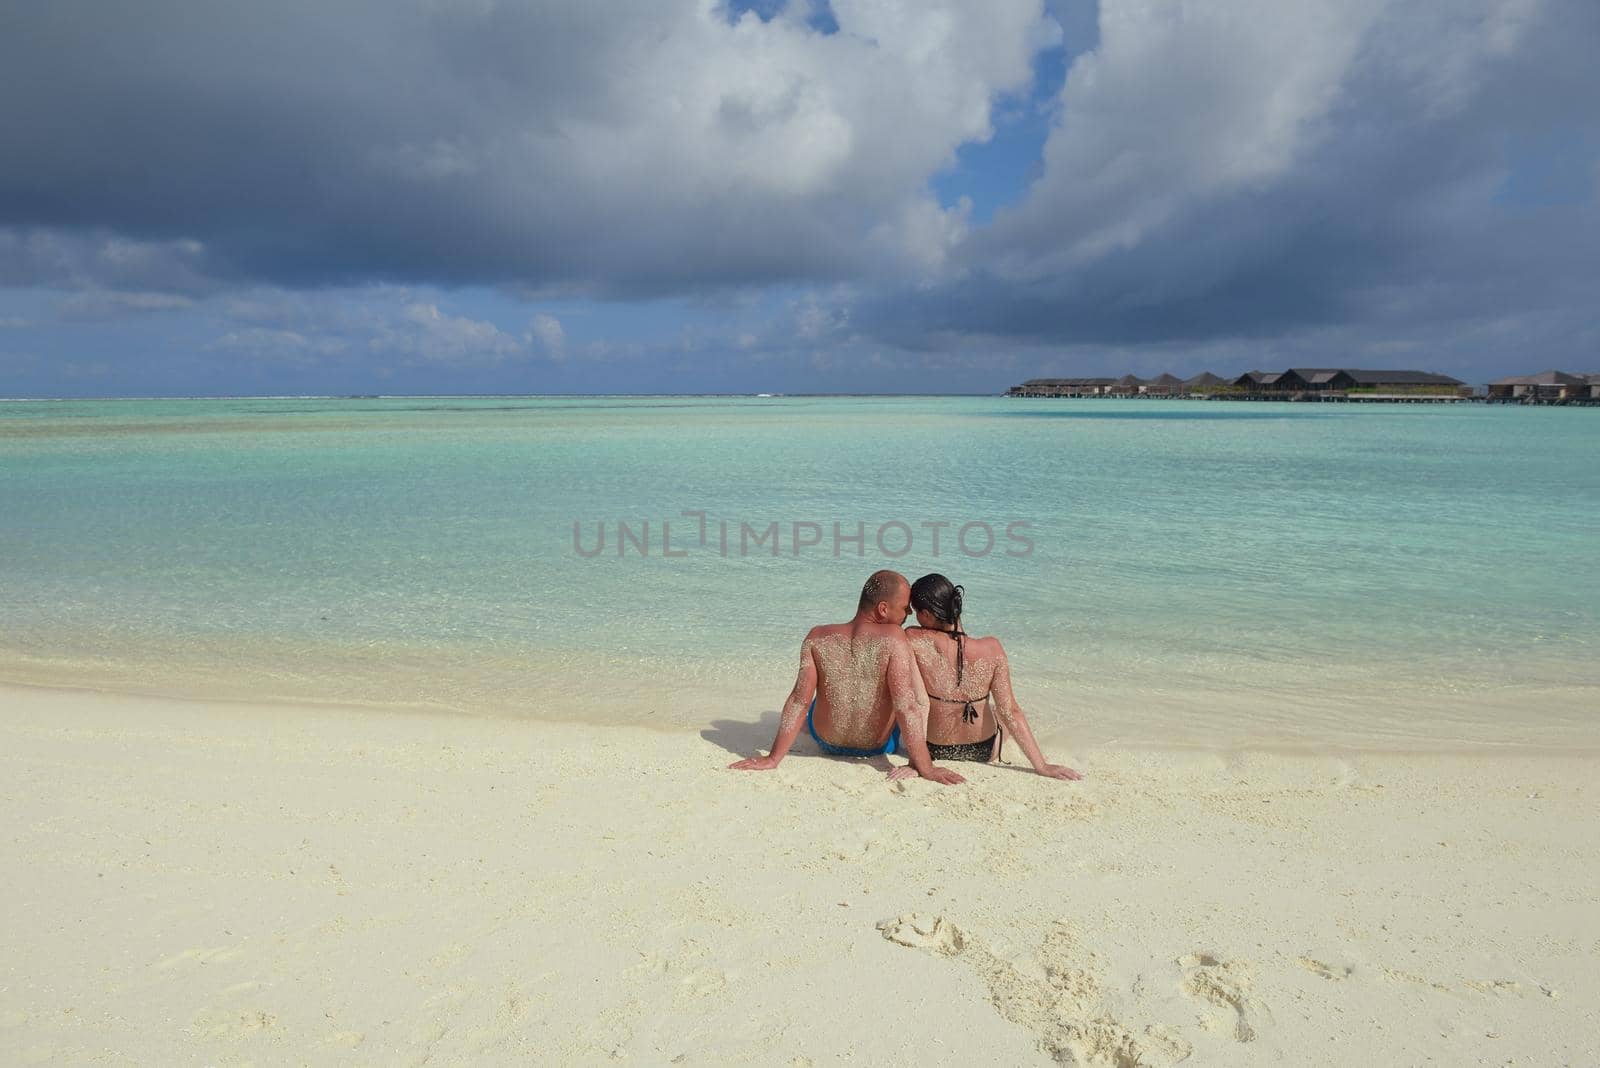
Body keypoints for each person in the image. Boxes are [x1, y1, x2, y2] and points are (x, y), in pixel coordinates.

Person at [729, 570, 965, 785]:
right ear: (883, 609)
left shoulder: (817, 636)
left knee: (814, 697)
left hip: (826, 741)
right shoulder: (894, 637)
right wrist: (927, 768)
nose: (909, 614)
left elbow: (798, 701)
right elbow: (906, 707)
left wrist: (772, 759)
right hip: (877, 746)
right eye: (904, 608)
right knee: (899, 695)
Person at [899, 573, 1082, 782]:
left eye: (916, 612)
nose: (915, 618)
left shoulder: (913, 637)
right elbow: (1010, 711)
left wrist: (916, 763)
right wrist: (1042, 765)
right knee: (999, 711)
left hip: (933, 748)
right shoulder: (992, 648)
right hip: (984, 750)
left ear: (927, 615)